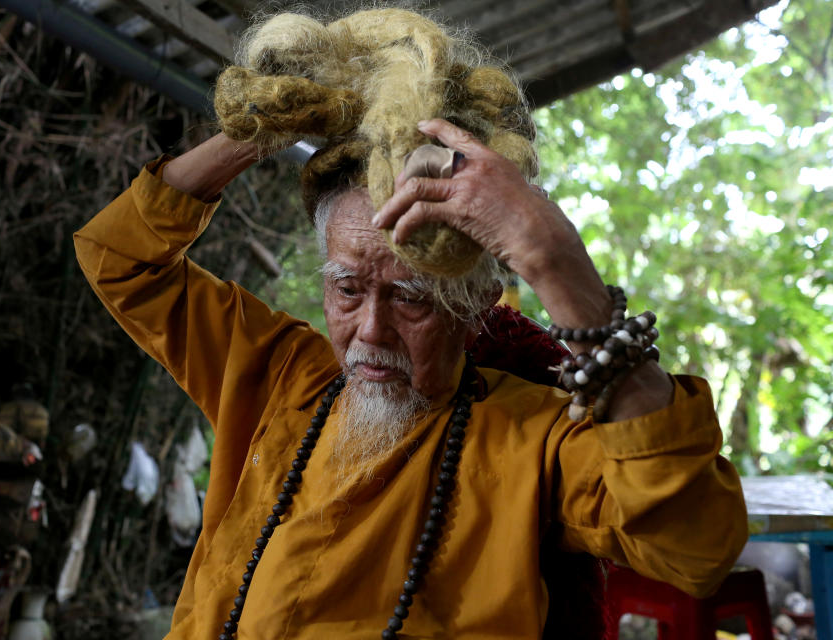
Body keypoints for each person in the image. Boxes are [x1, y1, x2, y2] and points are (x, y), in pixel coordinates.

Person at [74, 9, 748, 639]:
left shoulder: (530, 440)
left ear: (478, 306)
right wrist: (257, 131)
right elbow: (121, 258)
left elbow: (693, 548)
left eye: (411, 299)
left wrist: (554, 262)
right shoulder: (281, 374)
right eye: (346, 288)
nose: (370, 330)